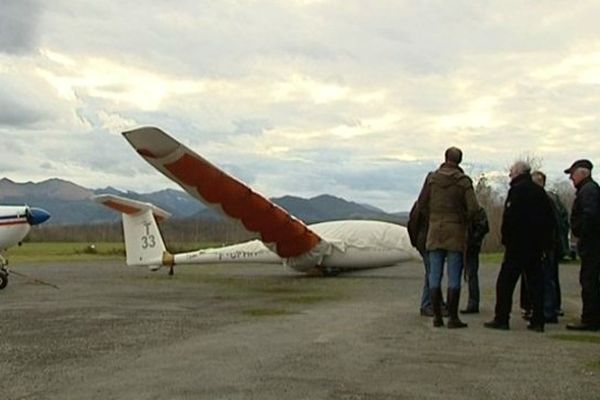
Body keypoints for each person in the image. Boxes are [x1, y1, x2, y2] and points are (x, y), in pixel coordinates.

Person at [484, 161, 555, 332]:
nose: (509, 175)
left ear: (518, 172)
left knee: (505, 283)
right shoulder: (539, 192)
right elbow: (549, 220)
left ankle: (502, 318)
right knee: (536, 283)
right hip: (536, 246)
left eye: (511, 172)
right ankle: (538, 320)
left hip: (517, 246)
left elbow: (510, 218)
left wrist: (506, 240)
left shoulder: (516, 191)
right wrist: (545, 244)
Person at [416, 146, 479, 328]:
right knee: (453, 275)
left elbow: (421, 203)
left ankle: (437, 317)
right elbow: (474, 208)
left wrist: (433, 218)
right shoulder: (463, 181)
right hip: (455, 232)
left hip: (435, 230)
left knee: (434, 274)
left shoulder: (432, 180)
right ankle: (453, 318)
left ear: (445, 157)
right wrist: (463, 218)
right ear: (459, 160)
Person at [564, 159, 600, 331]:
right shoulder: (588, 190)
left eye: (572, 174)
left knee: (589, 281)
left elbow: (590, 216)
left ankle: (590, 319)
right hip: (591, 243)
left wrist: (581, 232)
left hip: (592, 244)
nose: (571, 178)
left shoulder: (589, 191)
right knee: (589, 280)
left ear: (582, 173)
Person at [408, 181, 447, 317]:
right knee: (433, 273)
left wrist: (415, 242)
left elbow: (411, 225)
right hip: (429, 242)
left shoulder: (419, 205)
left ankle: (436, 302)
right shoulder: (431, 207)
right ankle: (427, 304)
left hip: (422, 242)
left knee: (432, 273)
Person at [460, 206, 489, 314]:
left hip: (470, 246)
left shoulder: (476, 210)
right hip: (464, 245)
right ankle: (470, 302)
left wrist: (472, 240)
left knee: (471, 274)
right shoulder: (474, 209)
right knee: (468, 274)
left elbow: (484, 226)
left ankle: (473, 303)